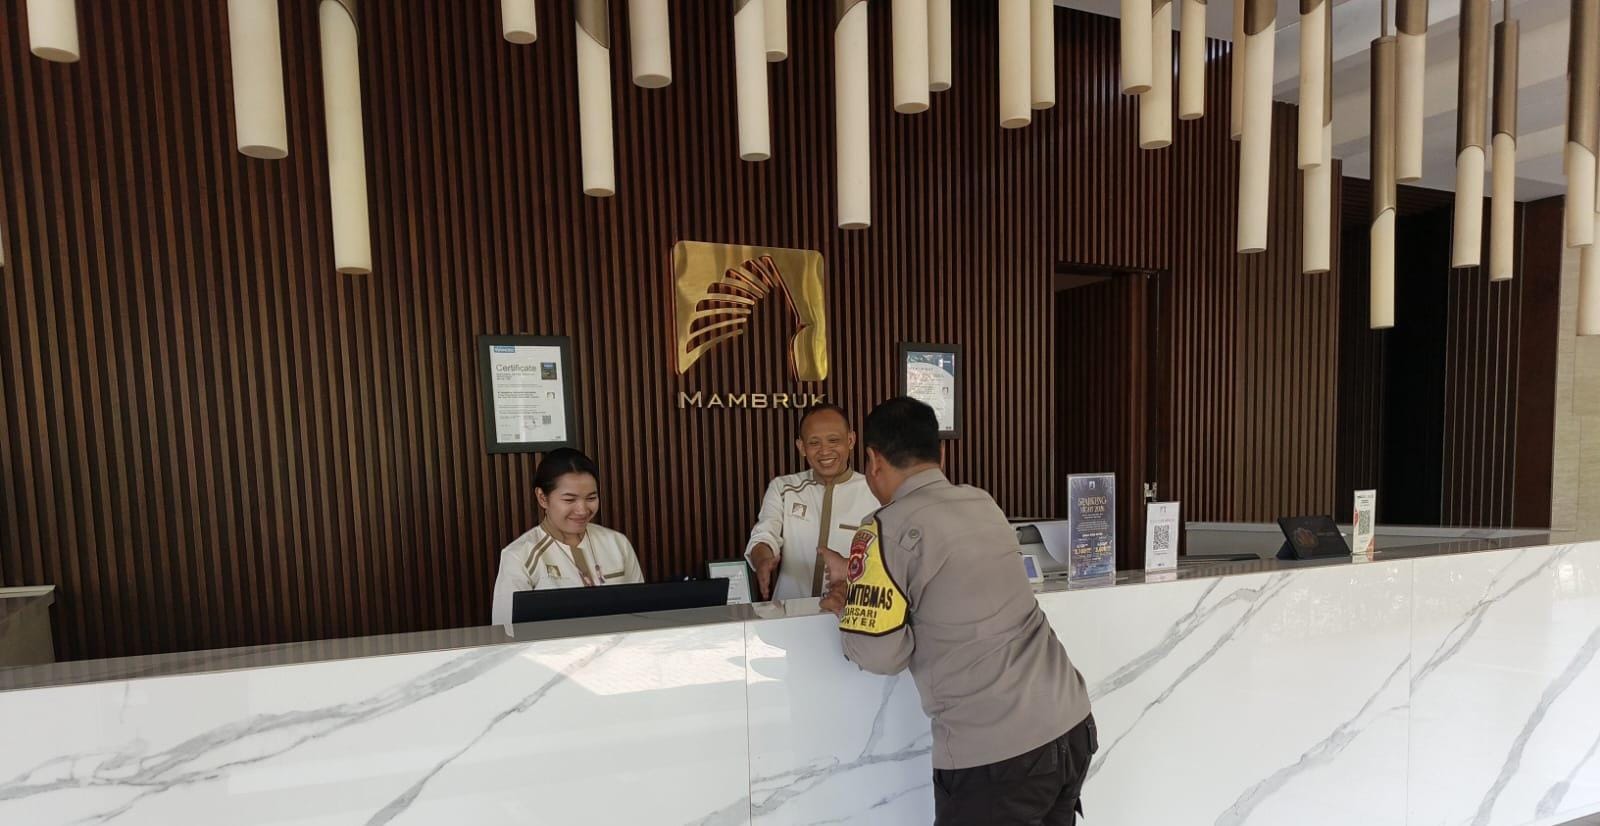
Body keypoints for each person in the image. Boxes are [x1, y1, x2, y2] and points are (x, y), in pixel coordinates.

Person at [820, 397, 1096, 825]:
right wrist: (865, 577)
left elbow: (880, 655)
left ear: (873, 460)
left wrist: (850, 603)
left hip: (997, 756)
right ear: (940, 454)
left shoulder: (884, 528)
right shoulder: (981, 502)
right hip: (1070, 725)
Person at [490, 447, 643, 626]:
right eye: (569, 500)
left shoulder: (617, 543)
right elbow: (506, 630)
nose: (582, 510)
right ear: (542, 498)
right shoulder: (519, 556)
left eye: (591, 498)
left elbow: (642, 612)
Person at [745, 404, 880, 600]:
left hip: (849, 611)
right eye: (814, 443)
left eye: (833, 440)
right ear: (801, 447)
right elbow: (765, 535)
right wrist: (763, 559)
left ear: (851, 440)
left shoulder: (875, 491)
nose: (824, 451)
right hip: (790, 611)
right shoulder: (783, 488)